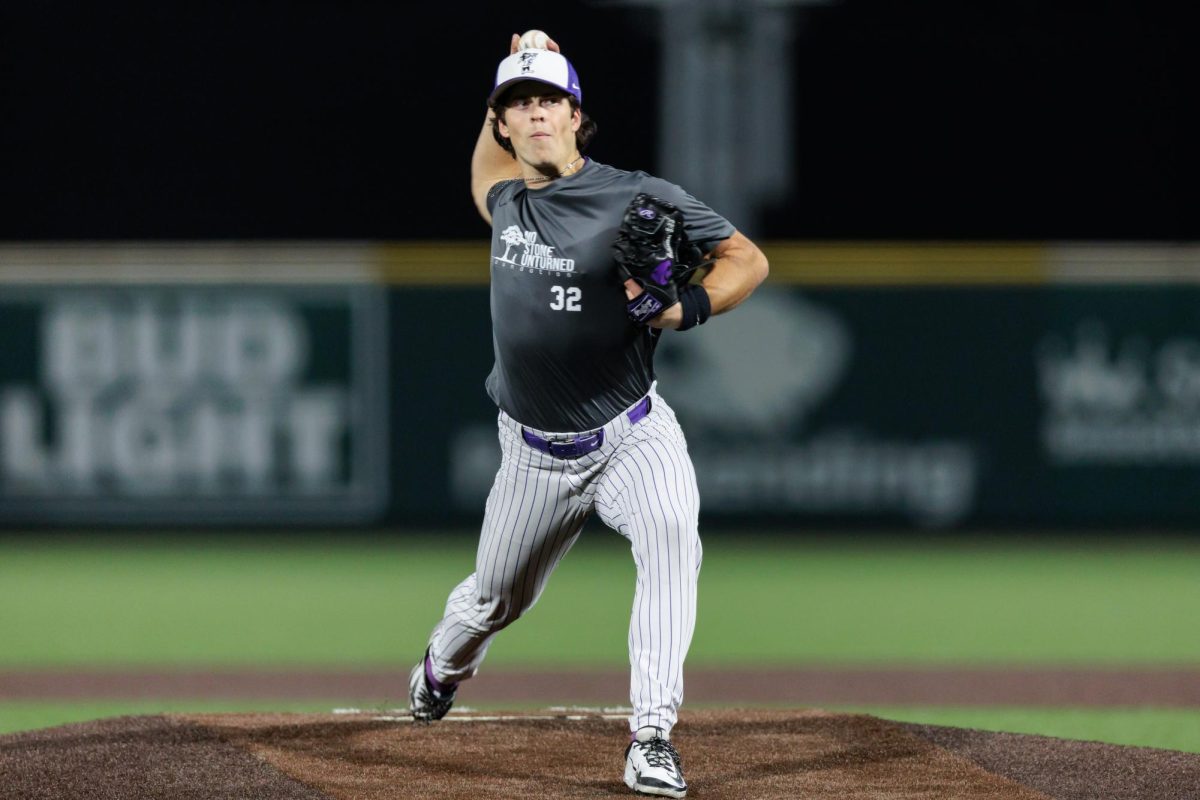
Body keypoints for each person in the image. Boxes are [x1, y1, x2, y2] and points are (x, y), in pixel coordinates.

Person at [408, 30, 768, 799]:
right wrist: (496, 91)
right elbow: (482, 167)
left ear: (577, 115)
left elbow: (748, 258)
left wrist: (687, 309)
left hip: (631, 433)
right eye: (518, 105)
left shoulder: (641, 196)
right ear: (502, 124)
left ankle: (652, 736)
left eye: (549, 101)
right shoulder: (506, 200)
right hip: (533, 456)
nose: (535, 115)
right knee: (494, 598)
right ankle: (443, 665)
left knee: (673, 536)